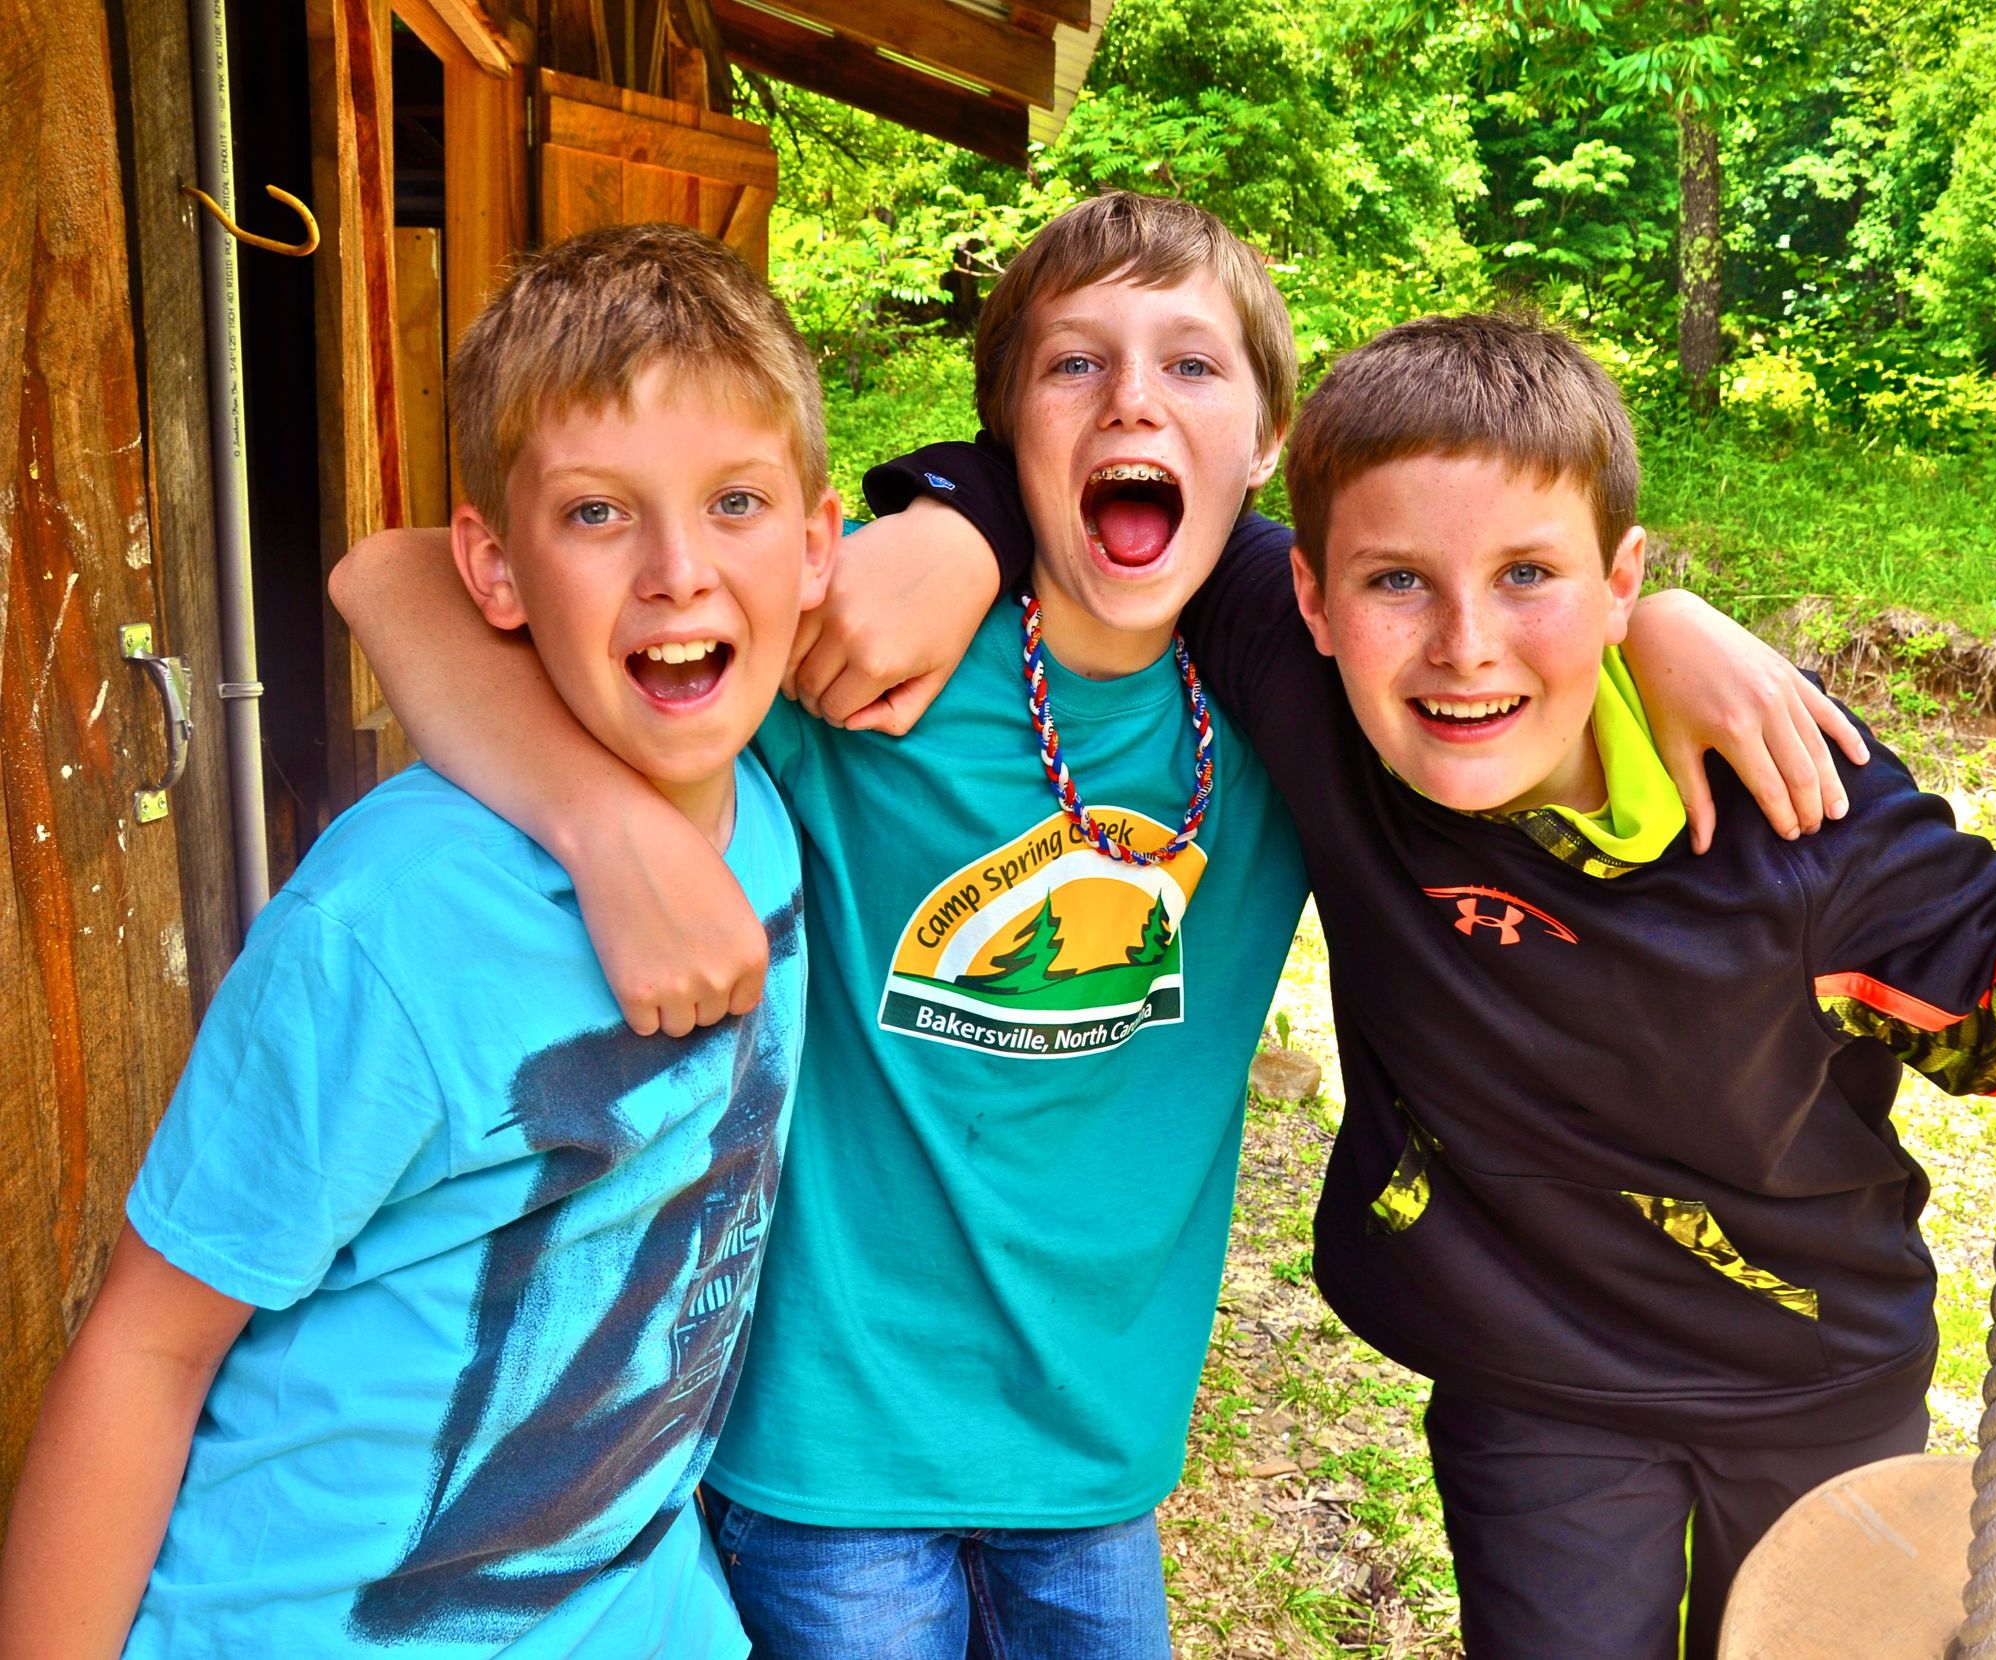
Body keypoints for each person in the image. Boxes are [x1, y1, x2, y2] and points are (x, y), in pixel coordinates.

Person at [327, 194, 1855, 1660]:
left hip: (1097, 1457)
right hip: (830, 1448)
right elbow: (395, 574)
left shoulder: (1309, 699)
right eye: (1076, 364)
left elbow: (1494, 587)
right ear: (1010, 439)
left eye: (1191, 365)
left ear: (1266, 442)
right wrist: (602, 826)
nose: (1133, 401)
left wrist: (1656, 621)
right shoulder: (861, 657)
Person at [864, 310, 1996, 1658]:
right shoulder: (1315, 686)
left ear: (1621, 580)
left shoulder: (1792, 812)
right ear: (1309, 593)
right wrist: (952, 527)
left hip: (1805, 1381)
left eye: (1531, 576)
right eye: (1396, 580)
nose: (1463, 646)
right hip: (1529, 1382)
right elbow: (1120, 488)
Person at [0, 222, 836, 1657]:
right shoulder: (387, 927)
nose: (679, 571)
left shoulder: (774, 792)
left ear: (822, 547)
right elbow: (148, 1348)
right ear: (494, 571)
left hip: (629, 1605)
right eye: (596, 515)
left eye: (738, 503)